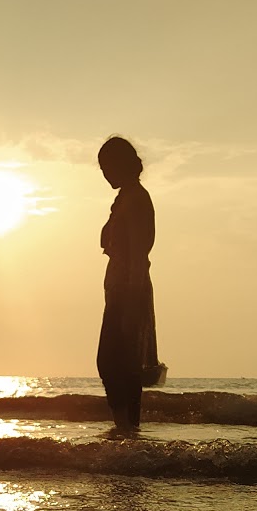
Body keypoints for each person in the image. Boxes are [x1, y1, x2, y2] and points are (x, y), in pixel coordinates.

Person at [95, 135, 164, 433]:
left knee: (114, 362)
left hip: (129, 287)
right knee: (121, 363)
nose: (104, 173)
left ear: (120, 164)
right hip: (121, 288)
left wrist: (132, 297)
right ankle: (126, 431)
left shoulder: (136, 198)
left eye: (106, 166)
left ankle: (126, 428)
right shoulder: (125, 197)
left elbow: (138, 251)